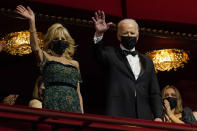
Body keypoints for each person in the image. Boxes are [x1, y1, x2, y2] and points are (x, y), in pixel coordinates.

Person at [91, 10, 163, 121]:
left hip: (144, 117)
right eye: (125, 33)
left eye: (132, 33)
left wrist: (158, 116)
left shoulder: (148, 61)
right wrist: (99, 34)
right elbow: (97, 55)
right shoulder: (110, 54)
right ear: (119, 36)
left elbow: (154, 92)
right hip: (118, 115)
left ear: (138, 36)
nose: (129, 35)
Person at [16, 5, 83, 113]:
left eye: (63, 39)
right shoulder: (47, 58)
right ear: (50, 43)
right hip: (52, 104)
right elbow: (35, 48)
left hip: (73, 108)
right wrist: (32, 21)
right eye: (56, 39)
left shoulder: (75, 64)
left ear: (67, 42)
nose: (60, 41)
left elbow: (78, 92)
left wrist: (82, 115)